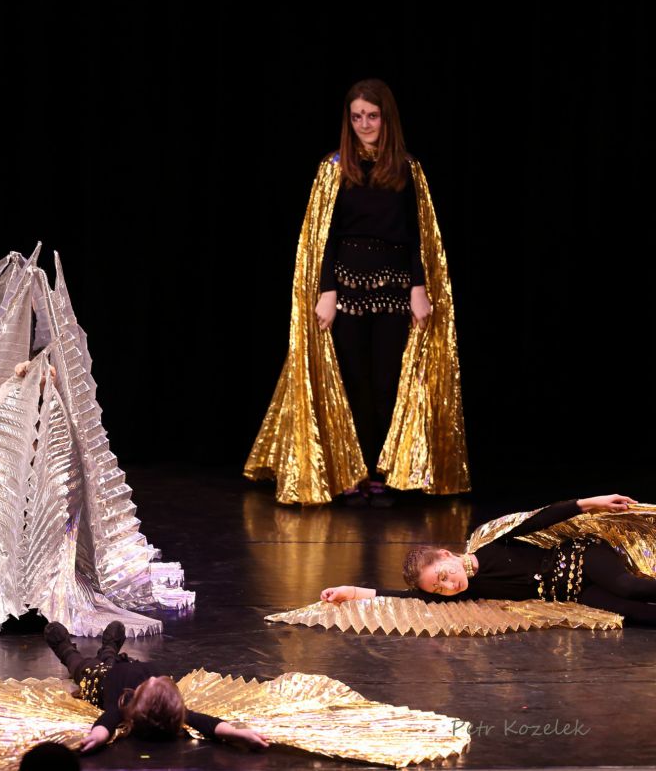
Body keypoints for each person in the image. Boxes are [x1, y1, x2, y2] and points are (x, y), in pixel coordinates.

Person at [246, 79, 469, 505]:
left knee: (387, 382)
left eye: (372, 116)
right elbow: (323, 238)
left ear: (387, 119)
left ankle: (380, 472)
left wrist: (419, 288)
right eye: (357, 117)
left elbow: (419, 238)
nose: (365, 124)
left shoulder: (407, 169)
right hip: (346, 290)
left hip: (394, 291)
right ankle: (351, 472)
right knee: (351, 383)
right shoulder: (334, 169)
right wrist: (326, 291)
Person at [319, 494, 656, 626]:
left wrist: (590, 503)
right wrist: (351, 592)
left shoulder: (490, 543)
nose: (449, 586)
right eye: (439, 589)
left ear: (447, 555)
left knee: (629, 587)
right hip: (576, 592)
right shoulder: (470, 592)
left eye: (443, 576)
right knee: (639, 615)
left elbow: (539, 518)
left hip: (582, 557)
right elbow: (402, 597)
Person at [43, 620, 269, 753]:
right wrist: (236, 733)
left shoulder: (125, 705)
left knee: (83, 667)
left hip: (99, 679)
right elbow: (206, 723)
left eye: (150, 684)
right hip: (124, 666)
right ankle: (109, 649)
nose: (152, 679)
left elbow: (107, 721)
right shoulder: (170, 707)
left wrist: (98, 736)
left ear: (137, 700)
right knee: (112, 660)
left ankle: (65, 649)